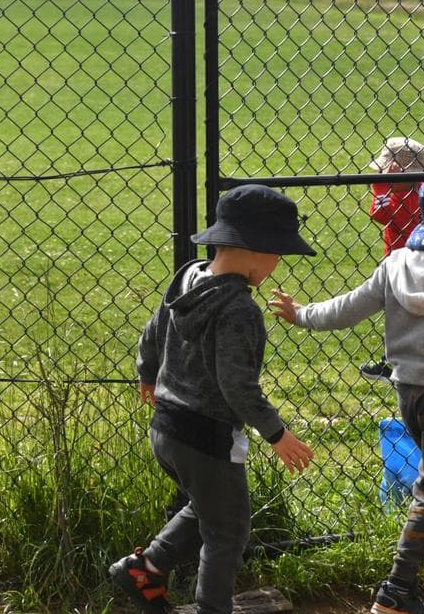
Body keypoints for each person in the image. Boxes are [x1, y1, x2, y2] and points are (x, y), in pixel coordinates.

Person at [270, 167, 424, 614]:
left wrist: (301, 314)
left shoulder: (396, 264)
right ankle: (397, 590)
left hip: (409, 394)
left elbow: (347, 307)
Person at [110, 184, 317, 614]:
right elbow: (237, 386)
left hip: (166, 427)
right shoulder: (239, 309)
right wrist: (277, 434)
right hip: (206, 438)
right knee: (228, 533)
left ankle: (145, 568)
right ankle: (211, 607)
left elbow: (152, 329)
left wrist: (148, 372)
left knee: (207, 508)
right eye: (278, 253)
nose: (278, 263)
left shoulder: (189, 277)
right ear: (255, 250)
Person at [360, 136, 424, 382]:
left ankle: (397, 364)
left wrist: (381, 186)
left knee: (400, 313)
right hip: (408, 262)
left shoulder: (410, 198)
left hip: (406, 264)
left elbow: (378, 214)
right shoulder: (417, 192)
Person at [368, 136, 424, 256]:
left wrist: (380, 186)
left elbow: (379, 214)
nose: (380, 175)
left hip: (399, 261)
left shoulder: (401, 200)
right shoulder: (422, 189)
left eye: (384, 173)